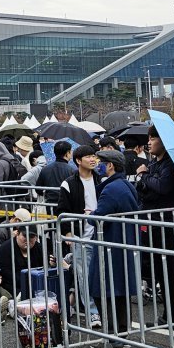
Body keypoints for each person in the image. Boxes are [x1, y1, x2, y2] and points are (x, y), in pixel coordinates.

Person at [135, 128, 174, 340]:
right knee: (161, 272)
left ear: (164, 141)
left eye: (153, 138)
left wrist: (144, 175)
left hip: (173, 225)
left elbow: (162, 187)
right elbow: (143, 190)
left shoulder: (172, 164)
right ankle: (168, 315)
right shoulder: (154, 163)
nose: (149, 142)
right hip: (155, 224)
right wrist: (146, 179)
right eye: (149, 138)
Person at [90, 150, 140, 332]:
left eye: (101, 162)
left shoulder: (111, 189)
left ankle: (113, 334)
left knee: (103, 288)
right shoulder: (125, 184)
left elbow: (99, 217)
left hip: (111, 242)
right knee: (120, 289)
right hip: (123, 241)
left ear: (110, 165)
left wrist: (90, 215)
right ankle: (122, 331)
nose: (98, 165)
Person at [57, 145, 102, 329]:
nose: (93, 160)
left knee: (101, 274)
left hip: (101, 234)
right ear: (78, 160)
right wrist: (68, 233)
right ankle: (92, 312)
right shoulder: (69, 183)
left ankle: (103, 309)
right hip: (80, 236)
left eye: (94, 156)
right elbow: (62, 210)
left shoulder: (101, 179)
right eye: (88, 157)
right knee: (84, 276)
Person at [37, 141, 76, 207]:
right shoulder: (72, 170)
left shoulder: (45, 169)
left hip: (49, 204)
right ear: (67, 153)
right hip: (66, 205)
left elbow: (38, 189)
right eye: (71, 151)